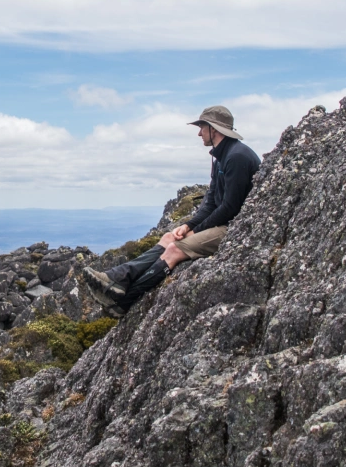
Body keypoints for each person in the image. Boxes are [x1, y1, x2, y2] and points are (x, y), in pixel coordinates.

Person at [79, 105, 261, 317]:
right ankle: (116, 279)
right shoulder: (222, 156)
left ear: (214, 129)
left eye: (202, 127)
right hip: (223, 223)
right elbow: (211, 201)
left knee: (174, 250)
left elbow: (230, 208)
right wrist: (188, 226)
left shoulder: (236, 157)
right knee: (169, 237)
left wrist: (196, 231)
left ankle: (123, 303)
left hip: (235, 229)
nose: (199, 133)